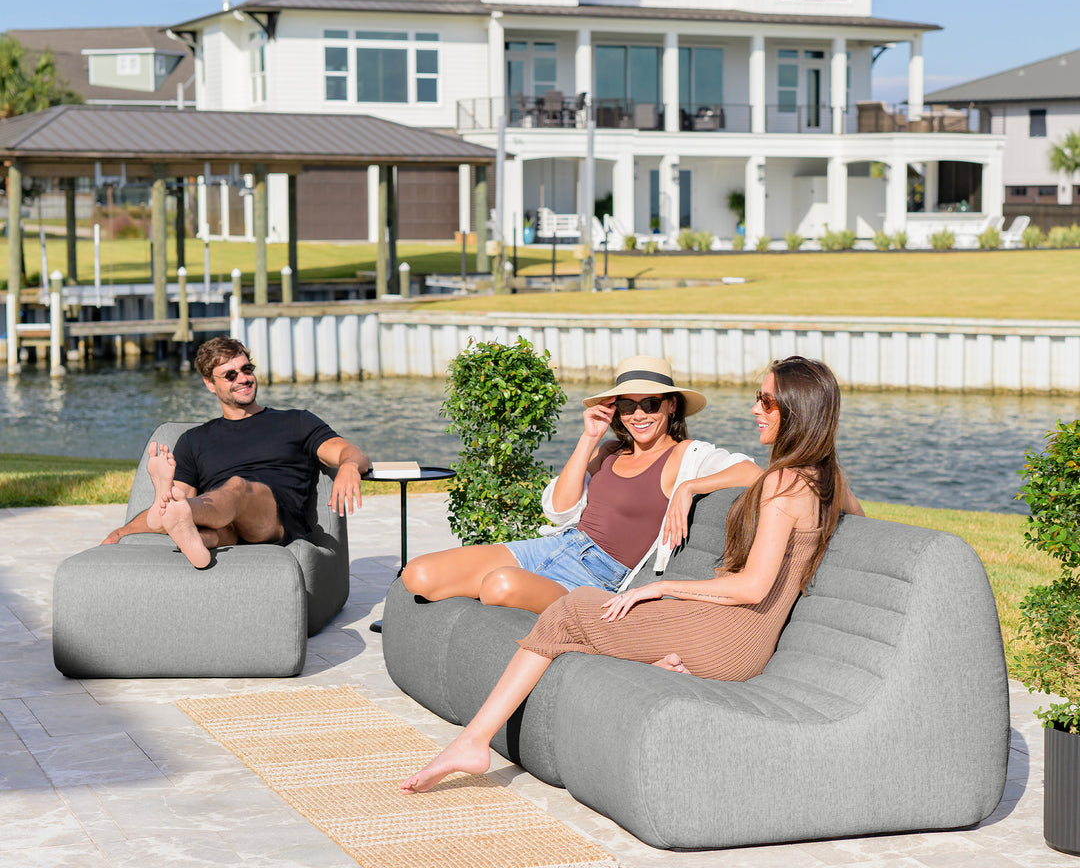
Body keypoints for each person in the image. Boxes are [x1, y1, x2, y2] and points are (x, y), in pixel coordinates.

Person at [401, 356, 864, 793]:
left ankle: (473, 742)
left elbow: (754, 586)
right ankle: (485, 735)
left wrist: (660, 587)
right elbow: (858, 523)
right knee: (575, 612)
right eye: (627, 404)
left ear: (796, 409)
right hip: (740, 635)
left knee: (571, 611)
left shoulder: (781, 481)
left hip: (729, 635)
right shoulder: (824, 477)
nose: (754, 409)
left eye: (765, 401)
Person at [401, 355, 762, 615]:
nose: (638, 415)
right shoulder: (608, 451)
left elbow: (753, 472)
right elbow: (559, 511)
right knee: (418, 575)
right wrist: (589, 437)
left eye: (650, 404)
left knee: (500, 585)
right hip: (556, 546)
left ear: (671, 406)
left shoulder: (687, 455)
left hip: (598, 577)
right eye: (627, 405)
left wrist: (688, 489)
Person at [101, 336, 370, 568]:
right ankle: (198, 538)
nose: (243, 378)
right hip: (223, 522)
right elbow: (171, 500)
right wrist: (121, 532)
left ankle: (182, 515)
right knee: (195, 516)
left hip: (275, 520)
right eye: (230, 375)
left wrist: (348, 465)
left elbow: (350, 452)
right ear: (210, 384)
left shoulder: (295, 421)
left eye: (246, 369)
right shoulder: (194, 440)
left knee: (237, 488)